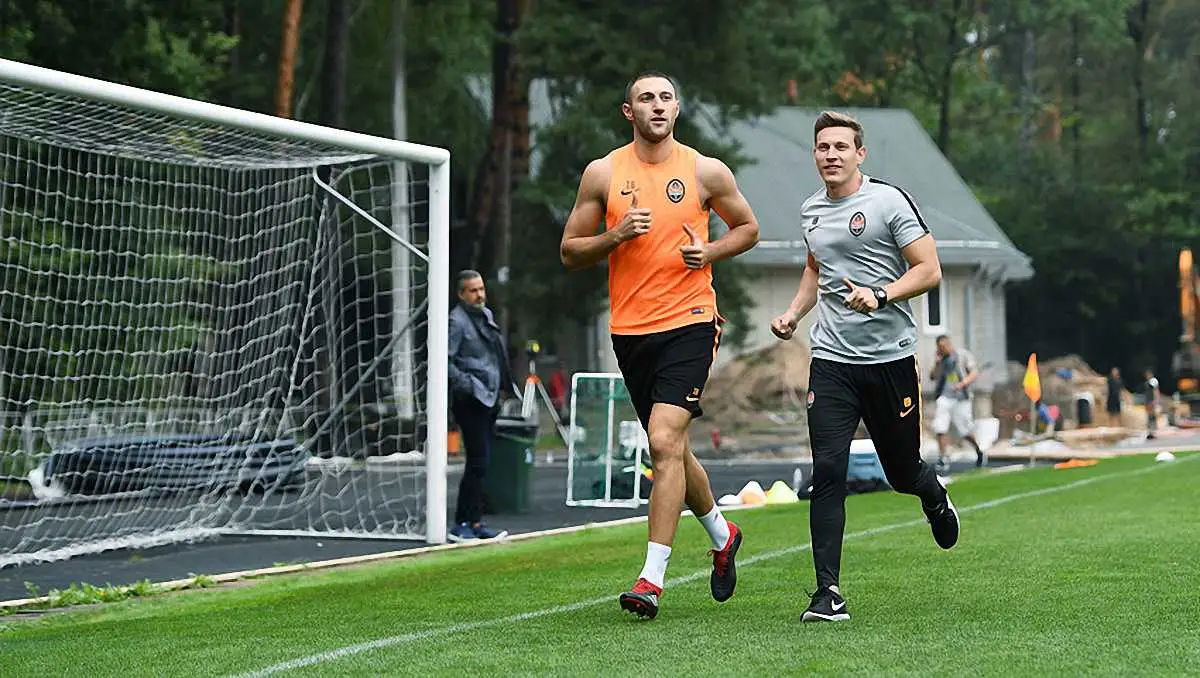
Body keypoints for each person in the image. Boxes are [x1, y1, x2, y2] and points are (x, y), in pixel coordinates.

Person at [559, 71, 761, 619]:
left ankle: (651, 579)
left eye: (666, 97)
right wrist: (615, 236)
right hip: (630, 330)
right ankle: (723, 534)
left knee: (663, 440)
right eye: (646, 98)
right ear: (629, 112)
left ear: (677, 108)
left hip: (691, 320)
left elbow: (748, 228)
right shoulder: (603, 173)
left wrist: (709, 253)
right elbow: (571, 250)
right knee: (673, 448)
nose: (657, 105)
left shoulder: (704, 170)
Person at [769, 110, 958, 623]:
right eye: (822, 147)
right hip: (831, 361)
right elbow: (816, 269)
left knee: (902, 472)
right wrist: (793, 314)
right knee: (828, 470)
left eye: (840, 147)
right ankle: (827, 593)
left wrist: (881, 294)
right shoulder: (811, 210)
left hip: (890, 361)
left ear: (860, 154)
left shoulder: (888, 202)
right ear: (814, 154)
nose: (830, 155)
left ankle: (933, 494)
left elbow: (929, 270)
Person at [447, 270, 514, 543]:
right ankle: (461, 524)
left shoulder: (485, 315)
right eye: (473, 291)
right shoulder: (456, 322)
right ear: (461, 294)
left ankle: (475, 521)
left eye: (481, 289)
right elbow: (444, 361)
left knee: (482, 463)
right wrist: (470, 385)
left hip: (489, 397)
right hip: (471, 400)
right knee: (477, 461)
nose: (479, 295)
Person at [930, 334, 986, 469]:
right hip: (944, 396)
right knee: (940, 426)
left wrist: (962, 384)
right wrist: (937, 363)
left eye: (944, 346)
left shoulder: (962, 355)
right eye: (940, 348)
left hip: (961, 397)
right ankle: (943, 458)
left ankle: (979, 450)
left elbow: (974, 372)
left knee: (964, 430)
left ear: (949, 344)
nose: (942, 349)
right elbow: (932, 377)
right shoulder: (941, 360)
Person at [1144, 369, 1160, 439]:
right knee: (1149, 416)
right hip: (1148, 401)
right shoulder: (1147, 382)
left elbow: (1156, 390)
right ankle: (1150, 431)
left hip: (1151, 401)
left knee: (1152, 416)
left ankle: (1153, 431)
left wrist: (1155, 400)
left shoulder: (1153, 381)